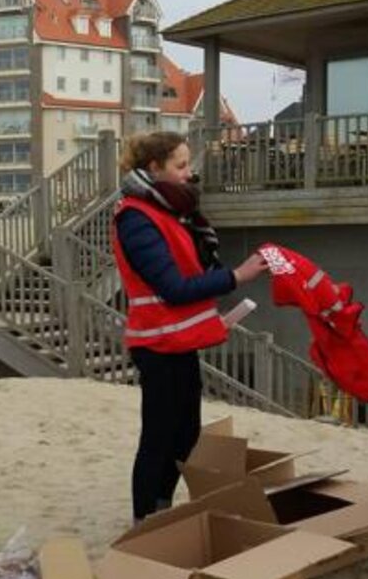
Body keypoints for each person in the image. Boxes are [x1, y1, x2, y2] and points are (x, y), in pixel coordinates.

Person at [111, 131, 266, 521]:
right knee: (158, 438)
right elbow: (173, 289)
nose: (189, 173)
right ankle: (146, 518)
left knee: (186, 435)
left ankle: (160, 508)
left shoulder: (169, 212)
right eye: (180, 166)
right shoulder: (136, 216)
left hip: (178, 340)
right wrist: (236, 276)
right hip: (157, 343)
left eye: (188, 164)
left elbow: (184, 282)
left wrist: (211, 321)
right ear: (154, 168)